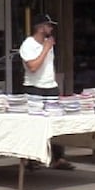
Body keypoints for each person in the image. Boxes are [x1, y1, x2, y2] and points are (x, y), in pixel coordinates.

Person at [20, 13, 72, 169]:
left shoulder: (48, 43)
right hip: (34, 87)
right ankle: (32, 158)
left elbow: (49, 67)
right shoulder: (28, 44)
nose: (51, 28)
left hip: (50, 87)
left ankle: (58, 157)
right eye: (49, 25)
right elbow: (33, 67)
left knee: (55, 123)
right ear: (40, 27)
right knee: (34, 123)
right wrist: (46, 49)